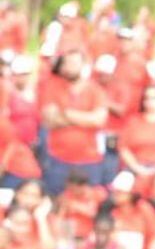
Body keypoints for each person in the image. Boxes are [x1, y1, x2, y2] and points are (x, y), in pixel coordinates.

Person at [42, 48, 109, 193]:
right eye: (66, 63)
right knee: (56, 200)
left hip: (89, 161)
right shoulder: (53, 87)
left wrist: (66, 113)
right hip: (58, 158)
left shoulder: (95, 90)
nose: (69, 67)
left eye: (73, 63)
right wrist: (85, 117)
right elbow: (50, 120)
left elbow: (98, 120)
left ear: (83, 65)